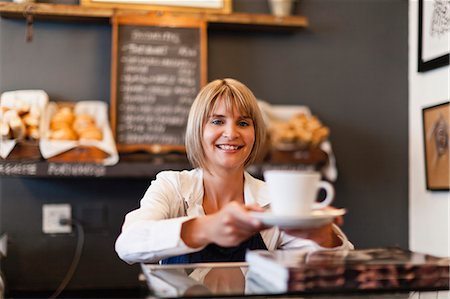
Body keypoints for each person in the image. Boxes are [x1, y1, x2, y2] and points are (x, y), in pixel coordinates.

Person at [115, 78, 353, 265]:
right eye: (217, 121)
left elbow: (336, 262)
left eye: (243, 123)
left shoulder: (272, 200)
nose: (231, 133)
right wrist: (207, 227)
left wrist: (323, 238)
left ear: (255, 133)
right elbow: (128, 244)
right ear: (198, 130)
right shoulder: (173, 186)